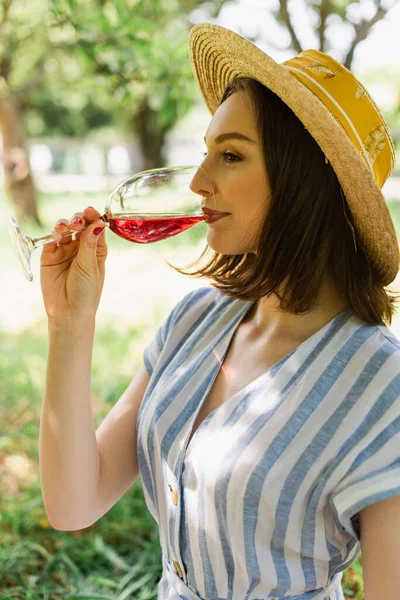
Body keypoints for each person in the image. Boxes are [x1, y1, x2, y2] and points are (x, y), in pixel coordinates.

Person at [39, 23, 400, 600]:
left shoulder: (381, 386)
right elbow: (74, 503)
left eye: (230, 155)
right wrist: (69, 320)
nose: (200, 182)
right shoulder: (196, 320)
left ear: (303, 180)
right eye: (205, 153)